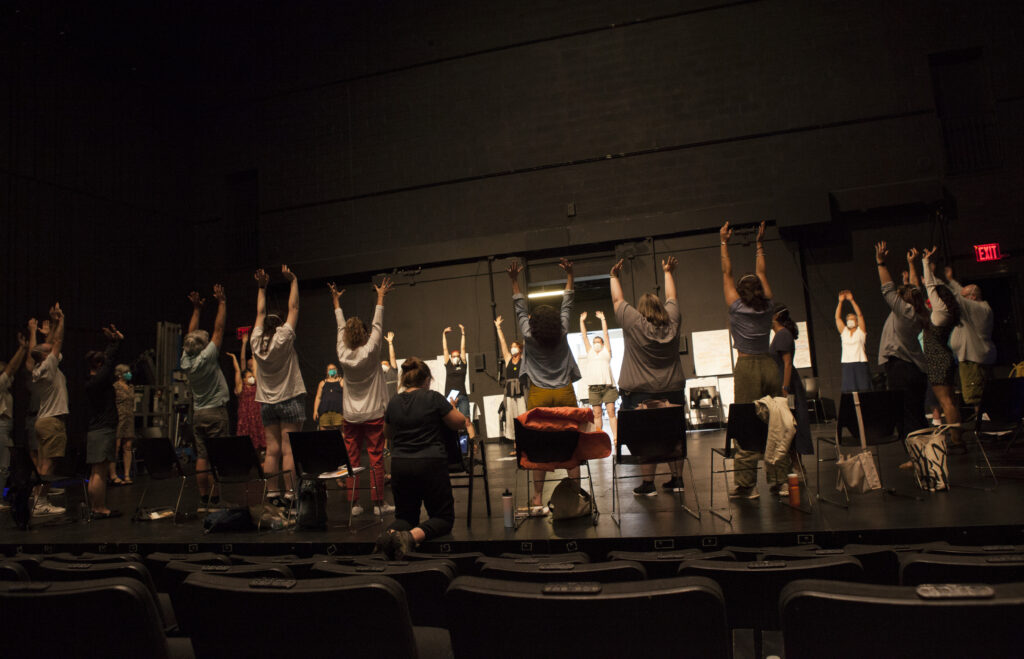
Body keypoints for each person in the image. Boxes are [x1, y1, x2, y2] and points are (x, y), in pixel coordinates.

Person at [720, 221, 790, 499]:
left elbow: (726, 271)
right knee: (777, 423)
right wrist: (760, 243)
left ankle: (747, 486)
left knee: (748, 426)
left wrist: (723, 241)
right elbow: (762, 270)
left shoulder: (736, 306)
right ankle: (780, 481)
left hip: (747, 366)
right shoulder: (770, 305)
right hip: (769, 364)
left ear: (741, 291)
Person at [508, 258, 582, 515]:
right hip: (564, 391)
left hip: (538, 394)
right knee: (570, 444)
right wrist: (570, 276)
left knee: (538, 446)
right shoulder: (562, 331)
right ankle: (576, 497)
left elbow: (519, 308)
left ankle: (538, 499)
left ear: (534, 322)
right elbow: (568, 303)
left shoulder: (529, 334)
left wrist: (515, 280)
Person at [376, 357, 468, 559]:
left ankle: (388, 536)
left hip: (400, 465)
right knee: (443, 518)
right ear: (426, 379)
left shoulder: (393, 402)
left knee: (405, 517)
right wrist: (449, 407)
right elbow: (459, 422)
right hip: (430, 464)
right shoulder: (433, 398)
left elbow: (388, 434)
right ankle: (410, 537)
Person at [610, 255, 686, 496]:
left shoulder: (634, 323)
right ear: (661, 309)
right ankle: (677, 480)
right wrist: (668, 272)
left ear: (641, 311)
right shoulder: (673, 321)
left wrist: (614, 276)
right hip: (672, 390)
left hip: (639, 394)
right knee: (672, 434)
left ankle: (648, 484)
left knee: (645, 438)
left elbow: (617, 299)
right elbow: (673, 297)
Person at [332, 278, 396, 517]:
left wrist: (336, 302)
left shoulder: (342, 353)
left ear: (347, 336)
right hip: (373, 414)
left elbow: (340, 329)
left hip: (351, 415)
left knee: (351, 458)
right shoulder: (371, 350)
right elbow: (378, 324)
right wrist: (380, 296)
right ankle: (379, 504)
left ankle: (354, 504)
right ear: (364, 334)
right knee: (376, 458)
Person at [251, 266, 306, 508]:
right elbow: (294, 308)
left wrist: (262, 287)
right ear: (280, 324)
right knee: (289, 451)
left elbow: (259, 311)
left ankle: (272, 494)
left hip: (267, 403)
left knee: (271, 451)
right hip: (290, 400)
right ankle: (291, 494)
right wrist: (293, 281)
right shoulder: (283, 337)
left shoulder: (255, 341)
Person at [181, 284, 230, 511]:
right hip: (215, 413)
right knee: (218, 458)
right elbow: (219, 330)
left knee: (202, 457)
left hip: (198, 413)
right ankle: (217, 500)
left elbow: (190, 336)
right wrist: (222, 303)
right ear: (203, 348)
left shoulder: (187, 360)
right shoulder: (206, 359)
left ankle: (203, 500)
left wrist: (197, 311)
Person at [875, 242, 928, 443]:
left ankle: (915, 457)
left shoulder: (904, 312)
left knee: (906, 416)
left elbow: (887, 289)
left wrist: (881, 263)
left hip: (902, 369)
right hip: (916, 370)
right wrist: (912, 264)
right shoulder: (919, 312)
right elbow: (915, 288)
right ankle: (927, 454)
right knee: (916, 414)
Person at [26, 304, 68, 515]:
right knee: (48, 465)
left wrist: (50, 326)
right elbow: (56, 342)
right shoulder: (48, 365)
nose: (50, 347)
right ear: (45, 355)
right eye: (47, 349)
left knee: (43, 462)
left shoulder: (39, 368)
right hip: (51, 421)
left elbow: (49, 344)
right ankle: (41, 504)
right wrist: (61, 320)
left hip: (43, 420)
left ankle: (37, 501)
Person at [918, 247, 963, 446]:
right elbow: (934, 286)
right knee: (950, 401)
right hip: (944, 357)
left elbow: (929, 285)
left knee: (946, 402)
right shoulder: (947, 312)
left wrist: (926, 263)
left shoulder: (940, 311)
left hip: (937, 360)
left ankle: (956, 439)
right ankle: (957, 437)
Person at [84, 325, 124, 519]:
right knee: (100, 472)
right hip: (103, 429)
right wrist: (117, 342)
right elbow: (110, 363)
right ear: (99, 365)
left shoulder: (91, 380)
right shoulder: (100, 380)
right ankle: (100, 508)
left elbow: (107, 362)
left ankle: (95, 506)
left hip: (94, 430)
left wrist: (111, 343)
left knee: (94, 471)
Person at [944, 264, 996, 412]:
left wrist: (932, 278)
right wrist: (951, 280)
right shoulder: (978, 307)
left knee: (977, 396)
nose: (963, 299)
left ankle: (985, 426)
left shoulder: (978, 308)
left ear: (972, 297)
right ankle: (985, 424)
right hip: (974, 357)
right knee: (979, 395)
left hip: (974, 359)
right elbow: (961, 294)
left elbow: (956, 298)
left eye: (965, 297)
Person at [770, 305, 812, 469]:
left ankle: (797, 465)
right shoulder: (779, 335)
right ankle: (793, 465)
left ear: (774, 317)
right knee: (786, 427)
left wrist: (785, 389)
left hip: (787, 384)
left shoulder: (783, 335)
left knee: (790, 426)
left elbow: (787, 363)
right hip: (782, 382)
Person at [0, 332, 29, 508]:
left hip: (5, 426)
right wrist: (22, 348)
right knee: (3, 466)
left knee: (5, 465)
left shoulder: (5, 388)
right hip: (1, 426)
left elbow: (12, 369)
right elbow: (11, 368)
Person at [579, 311, 618, 439]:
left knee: (611, 411)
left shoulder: (606, 352)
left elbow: (606, 335)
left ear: (601, 344)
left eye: (598, 341)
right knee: (597, 413)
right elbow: (584, 336)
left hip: (608, 387)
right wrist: (581, 321)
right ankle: (598, 438)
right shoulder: (590, 352)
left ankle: (616, 438)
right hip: (594, 388)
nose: (595, 343)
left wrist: (603, 319)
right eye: (594, 341)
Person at [228, 334, 264, 453]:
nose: (251, 378)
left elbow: (255, 370)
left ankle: (260, 454)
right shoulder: (241, 386)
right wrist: (243, 345)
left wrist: (255, 355)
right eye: (249, 376)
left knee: (258, 439)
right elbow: (239, 368)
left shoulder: (257, 384)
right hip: (245, 416)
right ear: (244, 378)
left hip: (256, 415)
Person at [494, 315, 526, 445]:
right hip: (509, 392)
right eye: (511, 346)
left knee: (522, 417)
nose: (512, 348)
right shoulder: (508, 358)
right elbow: (502, 343)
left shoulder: (523, 358)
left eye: (515, 346)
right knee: (511, 418)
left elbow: (527, 341)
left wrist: (527, 325)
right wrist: (498, 328)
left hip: (521, 391)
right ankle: (516, 445)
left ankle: (525, 444)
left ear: (519, 349)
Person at [835, 290, 871, 392]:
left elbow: (860, 315)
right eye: (848, 319)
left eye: (853, 319)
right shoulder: (844, 332)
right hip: (847, 365)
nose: (850, 321)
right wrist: (840, 302)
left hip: (860, 363)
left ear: (856, 321)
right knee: (849, 391)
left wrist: (851, 300)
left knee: (864, 389)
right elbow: (837, 318)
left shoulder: (860, 332)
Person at [112, 363, 136, 484]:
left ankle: (127, 475)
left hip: (129, 418)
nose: (129, 374)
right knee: (115, 447)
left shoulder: (131, 387)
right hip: (119, 418)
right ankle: (113, 474)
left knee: (127, 447)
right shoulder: (115, 387)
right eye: (126, 372)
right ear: (120, 374)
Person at [313, 363, 345, 430]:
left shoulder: (342, 381)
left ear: (336, 370)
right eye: (330, 369)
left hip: (338, 412)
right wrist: (315, 411)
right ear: (327, 371)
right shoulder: (322, 383)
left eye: (333, 369)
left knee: (340, 430)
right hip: (325, 412)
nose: (332, 370)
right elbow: (318, 397)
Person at [382, 332, 399, 401]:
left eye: (385, 364)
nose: (383, 366)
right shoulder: (379, 376)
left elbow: (392, 357)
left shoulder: (393, 371)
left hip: (394, 403)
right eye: (382, 364)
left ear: (389, 365)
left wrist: (390, 343)